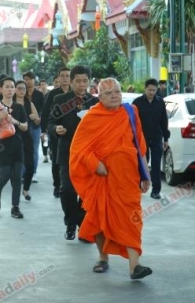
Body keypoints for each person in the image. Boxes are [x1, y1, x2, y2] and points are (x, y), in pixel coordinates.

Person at [69, 77, 153, 279]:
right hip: (101, 178)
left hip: (127, 177)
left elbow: (139, 143)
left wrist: (146, 173)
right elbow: (78, 150)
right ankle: (102, 257)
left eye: (117, 91)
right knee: (98, 217)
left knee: (131, 218)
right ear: (99, 96)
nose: (114, 96)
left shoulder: (130, 112)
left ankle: (135, 265)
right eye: (108, 93)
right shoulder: (92, 117)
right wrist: (94, 164)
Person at [47, 65, 99, 240]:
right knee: (67, 189)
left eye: (85, 81)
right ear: (71, 81)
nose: (82, 85)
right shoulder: (61, 100)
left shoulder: (94, 102)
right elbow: (50, 122)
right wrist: (56, 128)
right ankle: (70, 222)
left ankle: (82, 224)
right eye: (78, 81)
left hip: (89, 154)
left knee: (87, 192)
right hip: (67, 151)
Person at [0, 77, 28, 219]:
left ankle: (15, 207)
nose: (10, 89)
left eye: (12, 87)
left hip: (17, 146)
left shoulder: (19, 107)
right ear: (0, 89)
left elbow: (25, 127)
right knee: (5, 175)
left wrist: (15, 121)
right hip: (2, 147)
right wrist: (0, 118)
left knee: (17, 178)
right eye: (7, 87)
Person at [133, 78, 170, 199]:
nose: (152, 92)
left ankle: (156, 191)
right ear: (145, 89)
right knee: (142, 165)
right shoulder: (137, 102)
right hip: (141, 138)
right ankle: (139, 188)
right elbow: (132, 122)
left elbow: (164, 121)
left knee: (155, 165)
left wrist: (166, 138)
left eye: (154, 90)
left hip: (157, 137)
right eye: (149, 90)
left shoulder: (160, 102)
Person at [41, 67, 71, 198]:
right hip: (55, 131)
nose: (64, 78)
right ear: (58, 78)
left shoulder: (75, 93)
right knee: (56, 160)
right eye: (62, 75)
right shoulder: (53, 94)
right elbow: (46, 113)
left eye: (67, 76)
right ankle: (57, 185)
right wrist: (44, 131)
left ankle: (69, 184)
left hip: (71, 131)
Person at [14, 80, 40, 200]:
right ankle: (16, 191)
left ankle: (26, 189)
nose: (21, 91)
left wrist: (34, 117)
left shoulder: (30, 104)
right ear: (14, 90)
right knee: (15, 166)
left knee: (30, 165)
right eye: (19, 88)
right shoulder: (11, 104)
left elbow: (38, 121)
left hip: (27, 136)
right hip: (13, 138)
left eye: (24, 89)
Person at [23, 71, 45, 183]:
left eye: (30, 79)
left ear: (34, 80)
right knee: (23, 149)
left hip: (36, 126)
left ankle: (33, 172)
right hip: (23, 126)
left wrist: (39, 121)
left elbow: (43, 110)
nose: (28, 81)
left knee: (34, 150)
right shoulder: (21, 93)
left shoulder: (39, 94)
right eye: (26, 79)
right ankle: (23, 172)